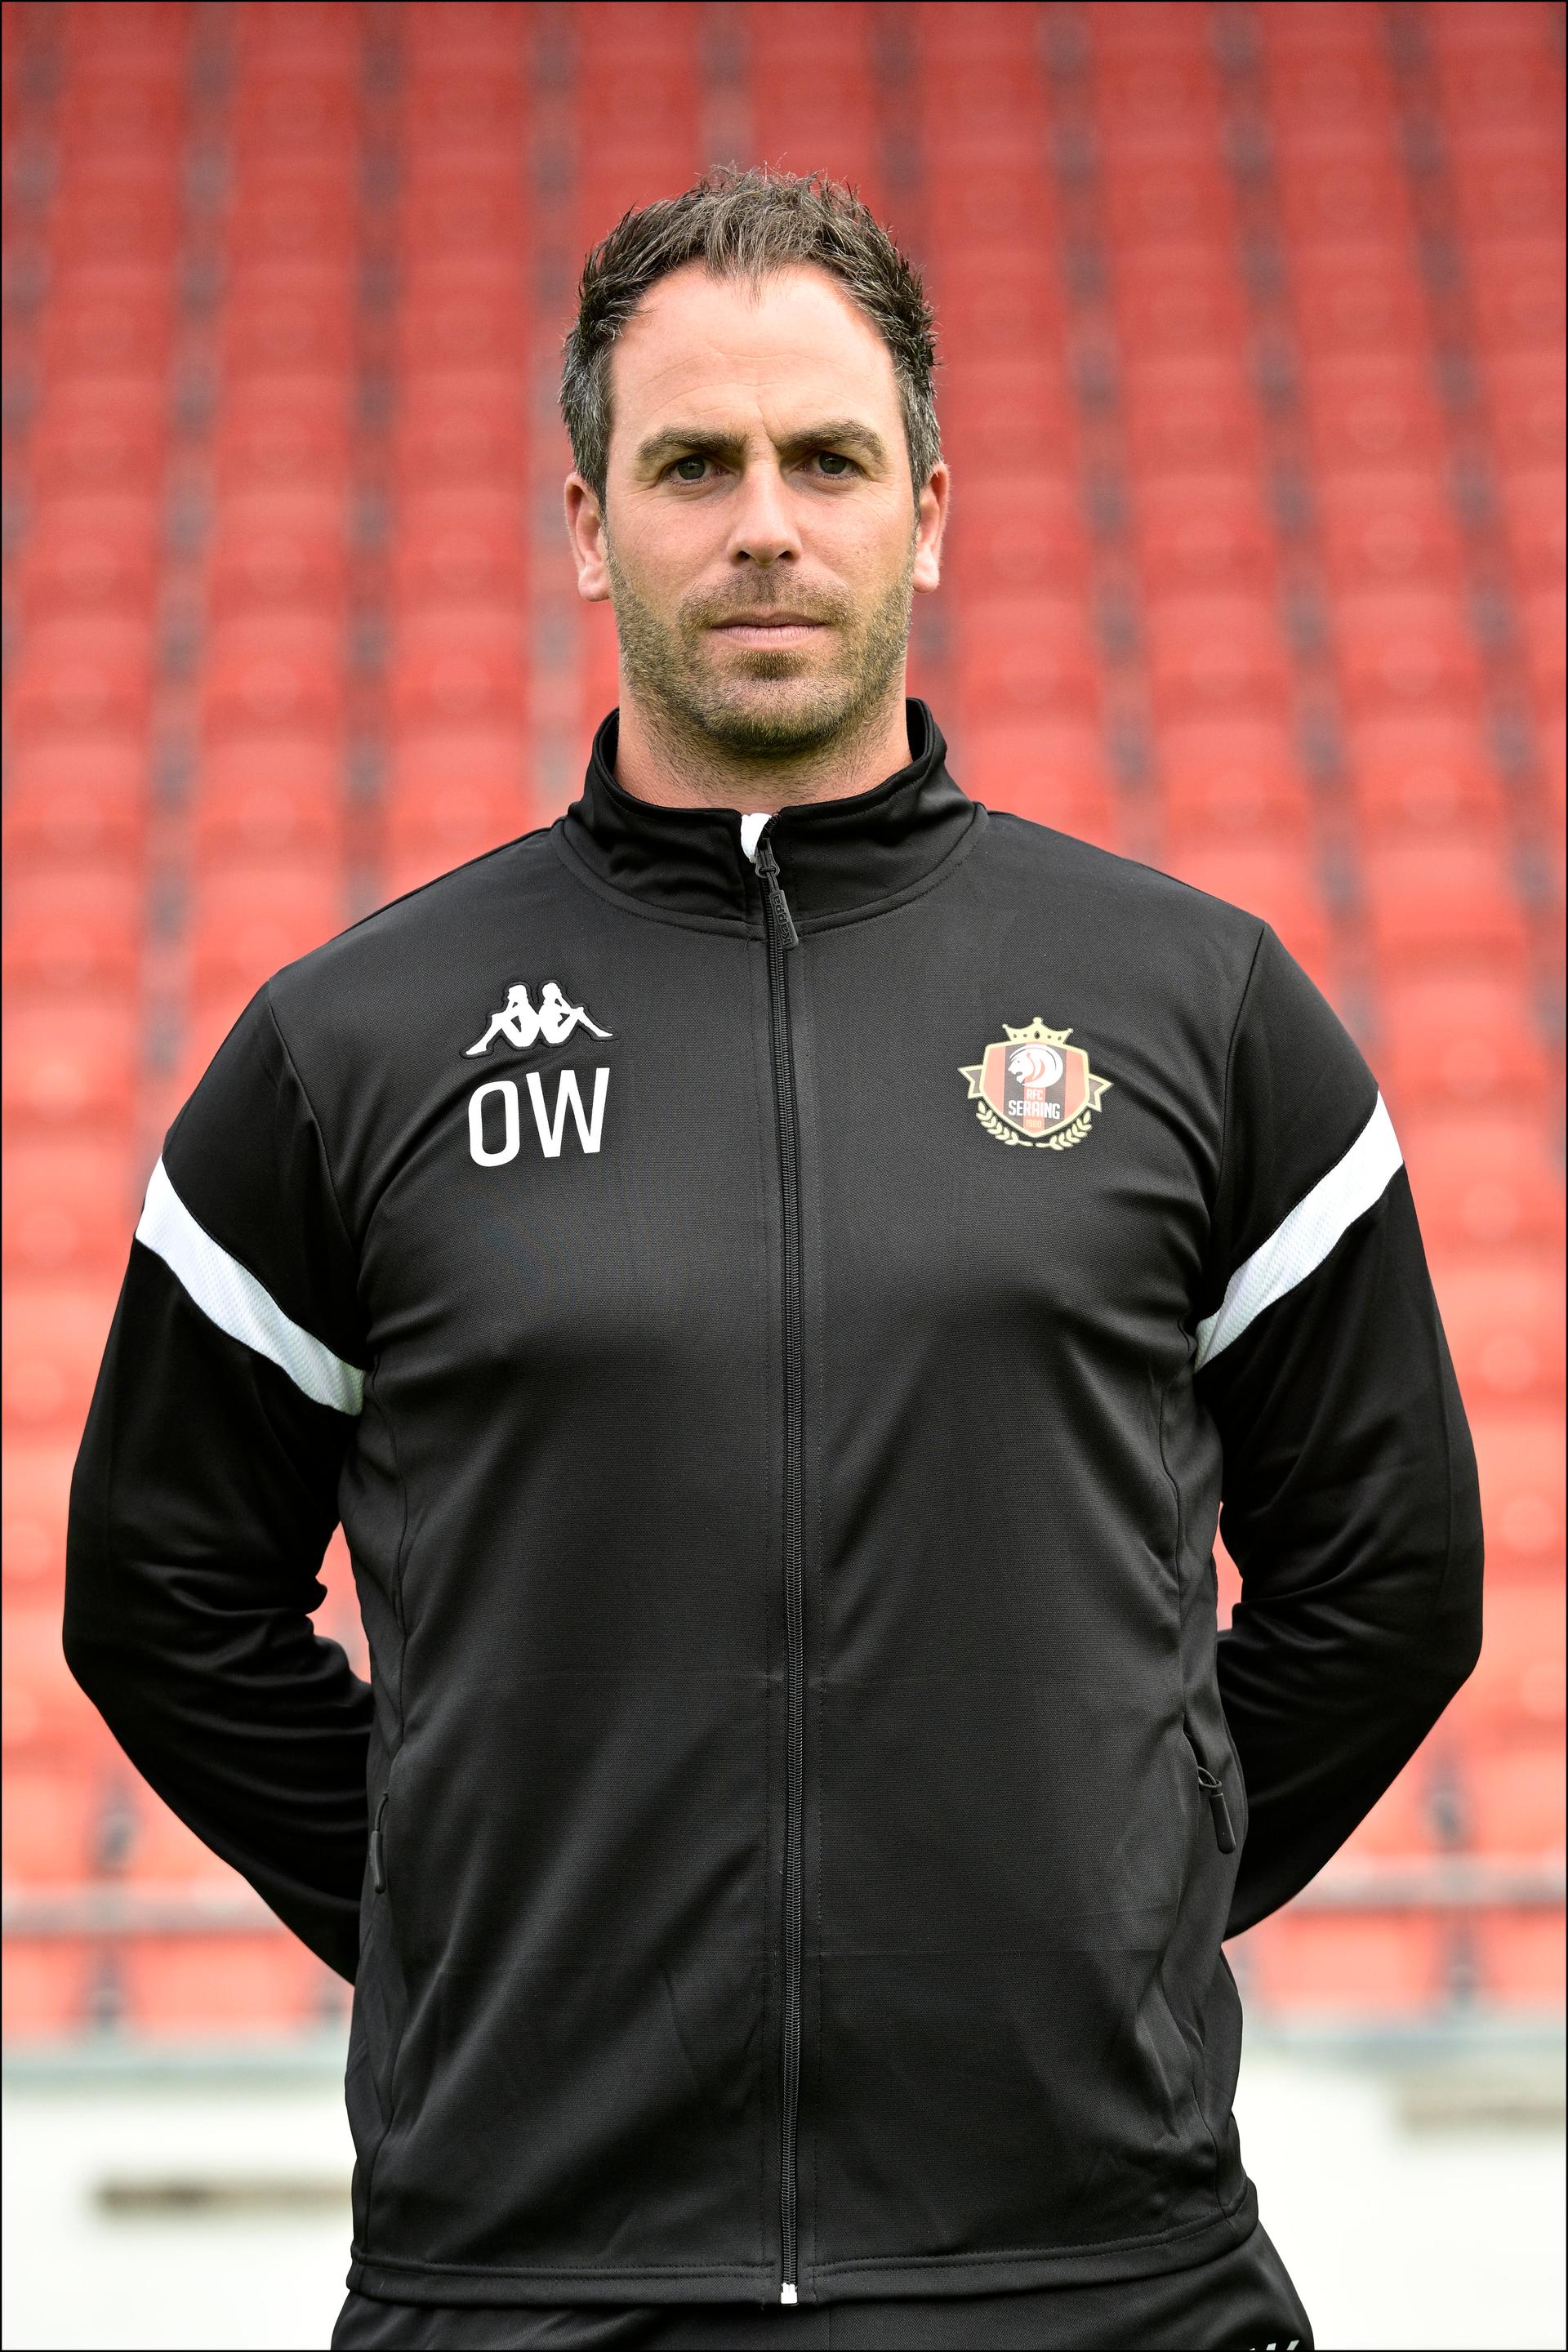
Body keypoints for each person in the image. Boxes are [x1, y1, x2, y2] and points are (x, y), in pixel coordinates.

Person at [64, 168, 1483, 2352]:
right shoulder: (350, 1047)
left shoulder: (1198, 1008)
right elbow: (157, 1597)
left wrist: (1121, 1897)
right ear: (584, 522)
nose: (762, 523)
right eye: (691, 464)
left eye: (829, 459)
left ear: (928, 511)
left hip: (1100, 2277)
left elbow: (1392, 1579)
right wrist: (465, 1916)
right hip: (527, 2282)